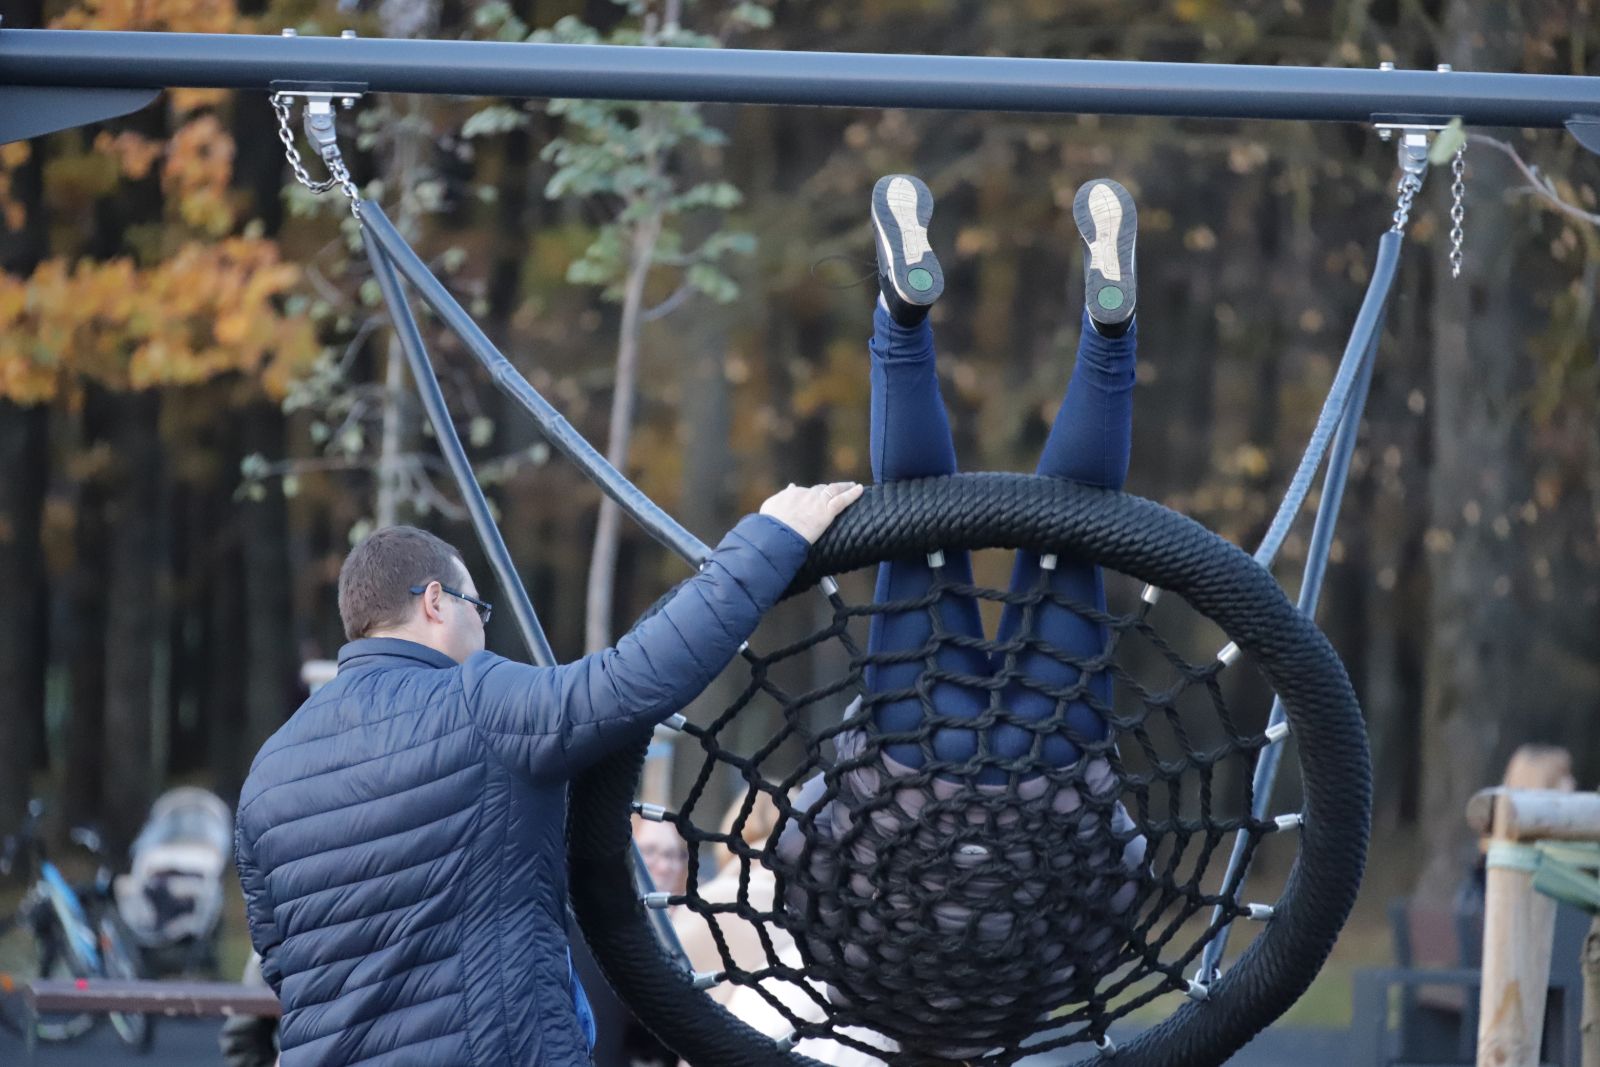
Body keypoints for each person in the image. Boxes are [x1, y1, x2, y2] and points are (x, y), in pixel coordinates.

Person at [233, 480, 862, 1067]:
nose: (483, 629)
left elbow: (281, 964)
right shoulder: (477, 701)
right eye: (477, 607)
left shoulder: (267, 773)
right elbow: (636, 677)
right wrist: (769, 541)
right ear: (435, 602)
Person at [774, 174, 1147, 1047]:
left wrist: (1099, 803)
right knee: (915, 512)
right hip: (911, 764)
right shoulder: (860, 982)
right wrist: (837, 769)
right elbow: (797, 850)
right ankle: (901, 317)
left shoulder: (1038, 996)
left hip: (1053, 771)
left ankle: (1111, 334)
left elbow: (1126, 871)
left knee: (1075, 520)